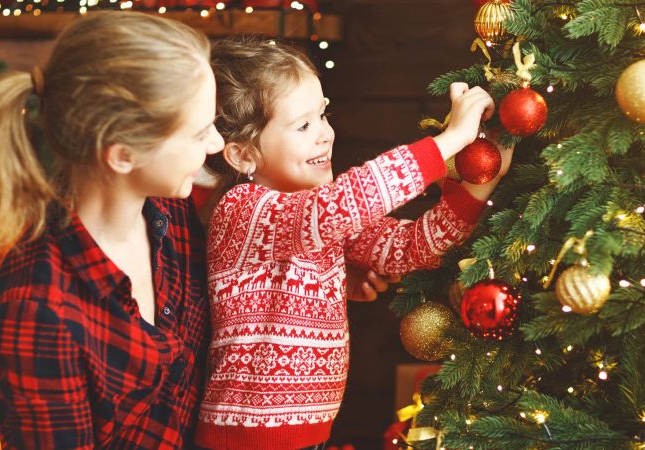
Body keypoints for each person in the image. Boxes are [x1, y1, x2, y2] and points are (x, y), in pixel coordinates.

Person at [197, 36, 512, 450]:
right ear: (242, 156)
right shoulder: (244, 210)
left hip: (313, 436)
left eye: (323, 115)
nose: (325, 134)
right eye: (303, 125)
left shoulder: (326, 218)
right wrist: (449, 141)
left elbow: (413, 246)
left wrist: (477, 185)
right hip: (244, 439)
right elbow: (345, 202)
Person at [0, 12, 225, 449]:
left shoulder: (174, 213)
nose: (216, 145)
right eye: (198, 132)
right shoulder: (39, 305)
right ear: (122, 155)